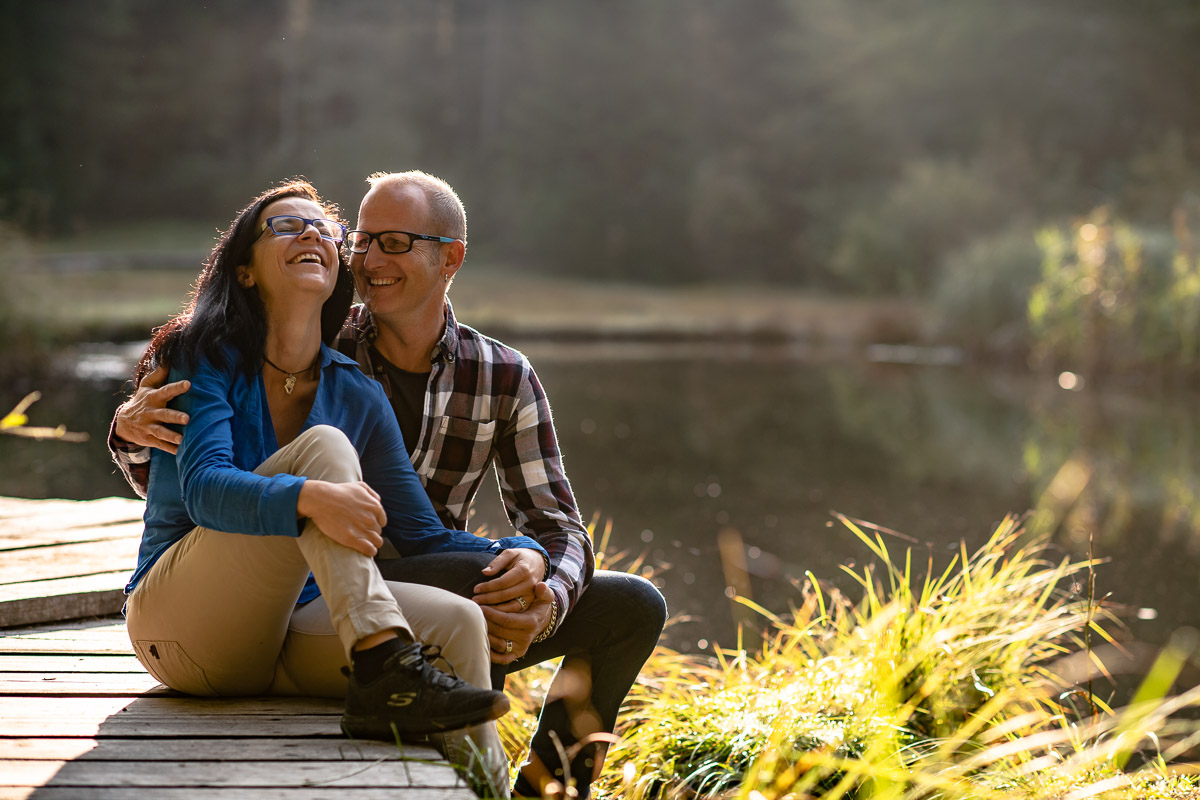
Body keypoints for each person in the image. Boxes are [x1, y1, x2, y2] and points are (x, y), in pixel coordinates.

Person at [111, 171, 668, 799]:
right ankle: (384, 660)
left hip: (328, 615)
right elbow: (189, 485)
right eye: (363, 240)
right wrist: (129, 431)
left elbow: (441, 532)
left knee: (489, 617)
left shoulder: (393, 384)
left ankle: (524, 794)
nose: (364, 256)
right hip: (205, 615)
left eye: (390, 242)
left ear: (449, 258)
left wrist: (530, 564)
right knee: (324, 450)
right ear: (244, 268)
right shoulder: (221, 346)